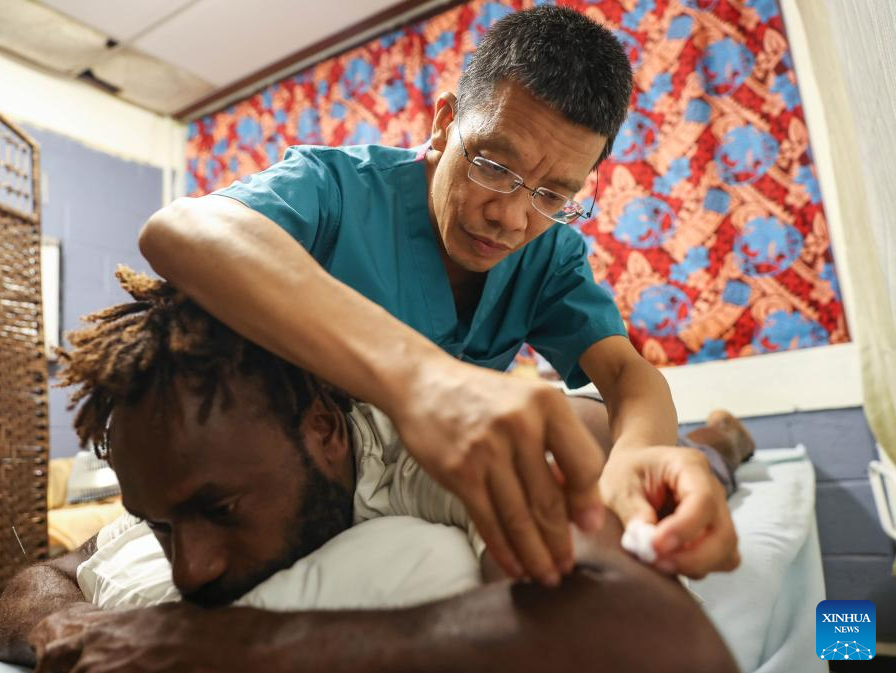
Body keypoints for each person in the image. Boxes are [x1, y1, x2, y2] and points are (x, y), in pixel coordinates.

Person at [138, 4, 740, 587]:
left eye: (551, 195)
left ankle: (719, 443)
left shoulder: (550, 252)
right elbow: (179, 230)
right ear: (445, 121)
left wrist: (638, 456)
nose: (510, 217)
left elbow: (628, 375)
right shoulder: (335, 189)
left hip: (449, 451)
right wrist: (422, 379)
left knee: (612, 432)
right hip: (347, 454)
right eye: (494, 166)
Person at [0, 268, 742, 673]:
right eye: (161, 526)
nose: (191, 569)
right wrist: (72, 627)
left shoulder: (434, 456)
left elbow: (652, 637)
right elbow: (45, 575)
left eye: (220, 510)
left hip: (591, 434)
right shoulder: (188, 478)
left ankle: (727, 437)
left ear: (324, 430)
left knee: (695, 466)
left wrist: (212, 650)